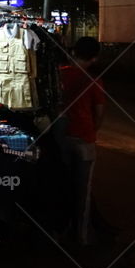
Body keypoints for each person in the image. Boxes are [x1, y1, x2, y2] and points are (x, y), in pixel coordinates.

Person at [56, 37, 106, 246]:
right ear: (94, 58)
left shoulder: (59, 75)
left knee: (62, 187)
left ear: (74, 52)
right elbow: (99, 114)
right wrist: (90, 130)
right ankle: (81, 238)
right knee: (82, 192)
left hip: (61, 139)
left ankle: (59, 232)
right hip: (84, 140)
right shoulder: (94, 81)